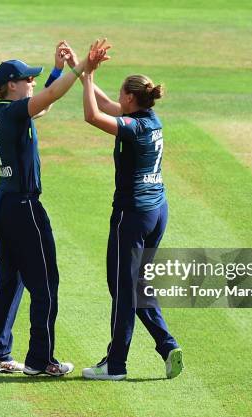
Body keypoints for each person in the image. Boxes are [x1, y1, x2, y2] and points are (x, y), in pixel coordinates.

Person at [0, 41, 107, 377]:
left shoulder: (1, 112)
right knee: (46, 284)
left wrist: (56, 70)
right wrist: (80, 69)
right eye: (28, 79)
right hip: (23, 208)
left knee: (11, 281)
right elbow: (49, 99)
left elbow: (42, 105)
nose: (33, 82)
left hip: (5, 205)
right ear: (12, 84)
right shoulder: (13, 112)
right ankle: (40, 360)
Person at [68, 39, 183, 380]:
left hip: (132, 216)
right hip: (156, 211)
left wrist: (87, 73)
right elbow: (104, 103)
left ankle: (115, 365)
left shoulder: (134, 128)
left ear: (131, 98)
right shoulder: (150, 120)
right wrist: (81, 69)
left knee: (122, 289)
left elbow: (93, 114)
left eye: (122, 93)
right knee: (137, 287)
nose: (118, 98)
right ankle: (167, 345)